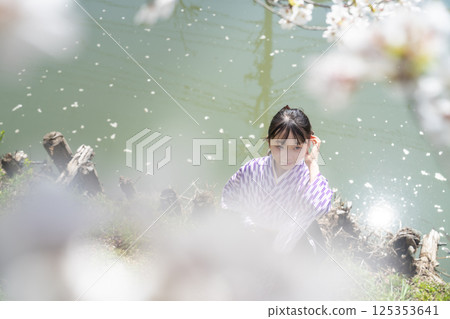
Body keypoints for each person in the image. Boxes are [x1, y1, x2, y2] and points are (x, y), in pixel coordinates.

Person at [221, 105, 333, 259]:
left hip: (289, 247)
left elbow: (319, 206)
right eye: (279, 146)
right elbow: (230, 197)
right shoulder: (253, 168)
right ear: (269, 142)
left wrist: (313, 163)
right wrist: (247, 224)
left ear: (309, 144)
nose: (287, 156)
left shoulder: (307, 177)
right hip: (251, 238)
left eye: (296, 147)